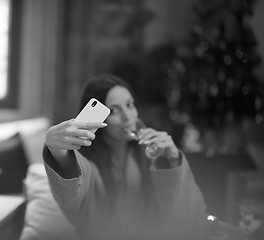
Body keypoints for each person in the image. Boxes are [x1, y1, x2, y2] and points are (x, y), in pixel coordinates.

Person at [43, 74, 209, 240]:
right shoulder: (88, 164)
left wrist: (173, 159)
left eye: (130, 105)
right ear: (98, 117)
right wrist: (57, 149)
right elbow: (73, 182)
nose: (128, 117)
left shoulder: (152, 155)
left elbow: (191, 215)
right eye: (114, 110)